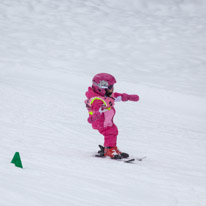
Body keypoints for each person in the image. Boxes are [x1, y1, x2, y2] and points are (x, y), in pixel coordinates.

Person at [85, 73, 139, 159]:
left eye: (112, 86)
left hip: (107, 121)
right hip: (101, 122)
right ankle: (109, 150)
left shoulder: (106, 96)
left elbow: (118, 96)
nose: (112, 89)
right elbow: (96, 110)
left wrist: (128, 97)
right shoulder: (97, 100)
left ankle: (111, 148)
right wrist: (94, 116)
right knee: (110, 132)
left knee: (113, 131)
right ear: (101, 89)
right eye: (110, 87)